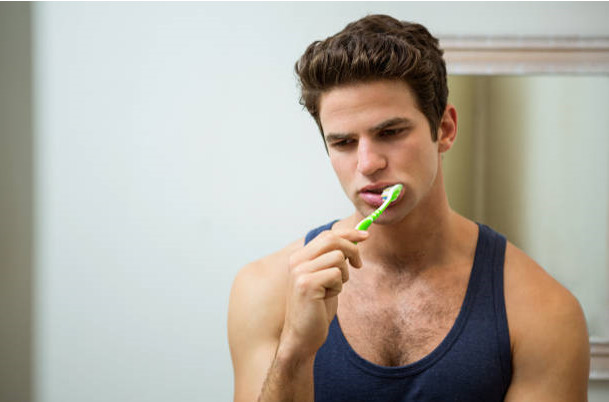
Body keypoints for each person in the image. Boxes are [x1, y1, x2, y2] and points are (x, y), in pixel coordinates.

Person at [228, 14, 590, 402]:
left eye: (390, 133)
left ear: (445, 129)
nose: (367, 164)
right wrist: (296, 353)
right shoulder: (264, 290)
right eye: (344, 142)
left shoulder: (545, 311)